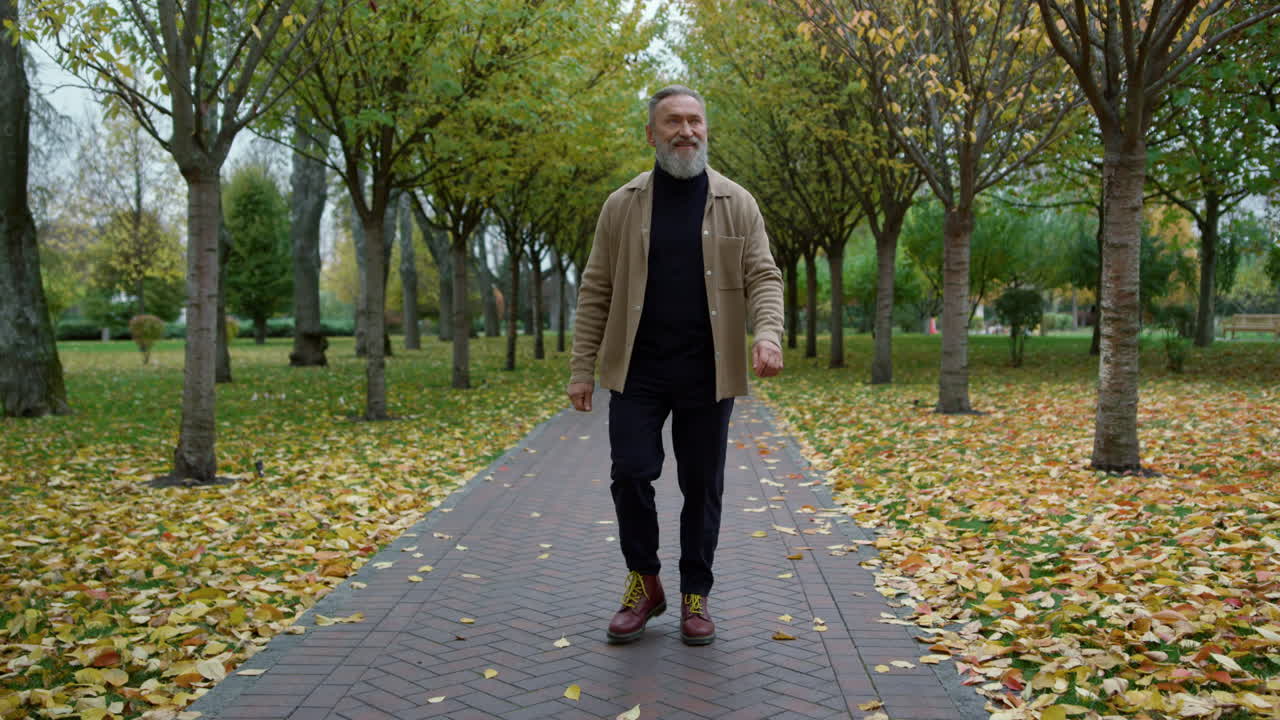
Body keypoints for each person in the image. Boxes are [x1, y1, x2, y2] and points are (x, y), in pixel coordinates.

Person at [566, 85, 784, 646]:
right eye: (673, 122)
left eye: (695, 121)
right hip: (637, 370)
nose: (686, 131)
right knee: (632, 474)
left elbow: (764, 276)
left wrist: (768, 334)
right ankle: (644, 581)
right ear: (651, 134)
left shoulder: (738, 202)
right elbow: (596, 289)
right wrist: (581, 368)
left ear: (706, 128)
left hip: (708, 372)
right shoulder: (623, 205)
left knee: (701, 485)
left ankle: (695, 597)